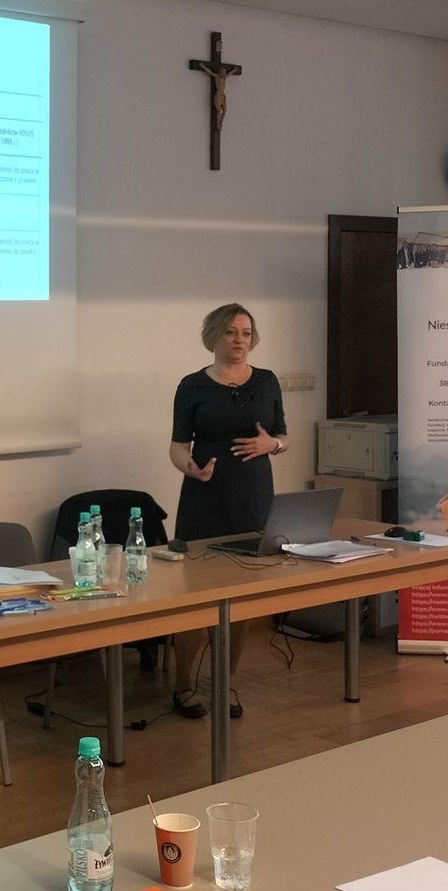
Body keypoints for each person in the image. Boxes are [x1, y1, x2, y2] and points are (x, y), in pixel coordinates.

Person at [167, 302, 288, 719]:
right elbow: (178, 447)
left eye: (246, 333)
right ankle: (183, 685)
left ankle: (226, 681)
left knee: (242, 596)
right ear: (214, 337)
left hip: (253, 498)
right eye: (231, 332)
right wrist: (190, 467)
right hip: (205, 498)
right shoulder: (192, 386)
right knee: (194, 597)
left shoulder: (268, 381)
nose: (240, 340)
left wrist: (272, 444)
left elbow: (283, 436)